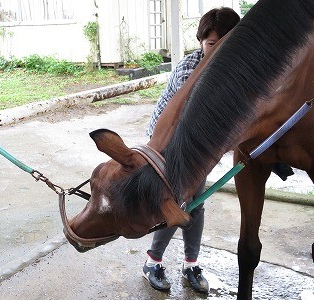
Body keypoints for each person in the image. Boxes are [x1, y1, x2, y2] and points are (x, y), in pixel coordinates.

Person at [142, 7, 241, 294]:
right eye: (211, 44)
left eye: (226, 44)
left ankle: (190, 264)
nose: (216, 51)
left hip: (202, 144)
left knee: (196, 204)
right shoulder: (190, 68)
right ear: (201, 42)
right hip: (170, 140)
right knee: (179, 204)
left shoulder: (234, 71)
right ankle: (152, 261)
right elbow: (190, 121)